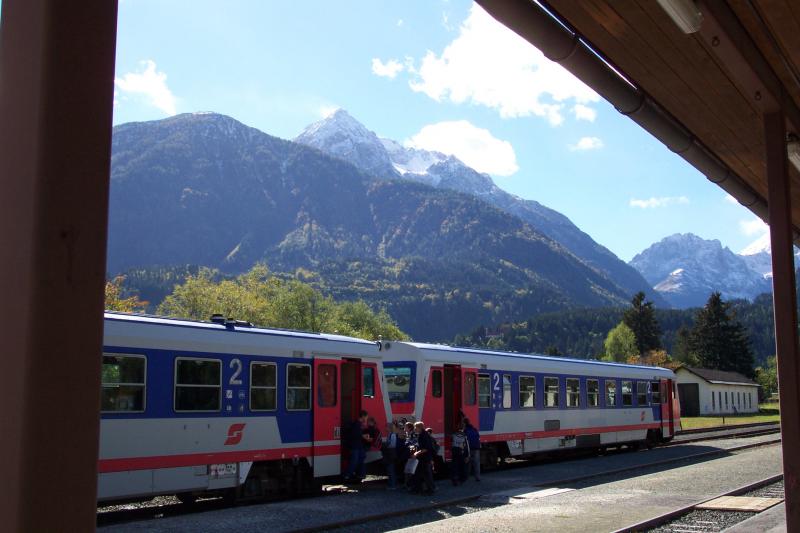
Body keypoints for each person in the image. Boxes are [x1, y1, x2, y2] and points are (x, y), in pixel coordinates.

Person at [342, 410, 368, 482]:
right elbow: (355, 435)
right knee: (354, 461)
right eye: (366, 417)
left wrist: (362, 435)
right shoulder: (357, 424)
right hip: (355, 446)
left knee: (360, 458)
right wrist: (363, 436)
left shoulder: (357, 424)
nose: (366, 419)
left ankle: (358, 474)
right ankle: (347, 475)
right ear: (363, 416)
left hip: (357, 446)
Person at [411, 421, 436, 494]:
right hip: (422, 458)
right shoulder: (421, 434)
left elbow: (426, 448)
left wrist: (416, 453)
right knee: (418, 474)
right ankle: (418, 489)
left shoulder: (424, 435)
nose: (415, 429)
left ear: (419, 427)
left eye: (415, 427)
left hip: (425, 458)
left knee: (426, 475)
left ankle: (430, 490)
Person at [450, 421, 470, 485]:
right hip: (461, 452)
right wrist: (468, 455)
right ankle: (461, 479)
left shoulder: (453, 434)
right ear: (463, 428)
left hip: (454, 451)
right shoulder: (465, 435)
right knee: (462, 466)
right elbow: (466, 446)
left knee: (455, 466)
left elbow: (451, 442)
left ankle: (454, 479)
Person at [382, 421, 399, 489]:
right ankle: (391, 484)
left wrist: (386, 445)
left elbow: (392, 445)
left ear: (389, 428)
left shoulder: (392, 435)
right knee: (389, 470)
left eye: (386, 427)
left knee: (391, 469)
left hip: (391, 454)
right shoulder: (390, 434)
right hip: (389, 454)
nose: (385, 428)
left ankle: (392, 485)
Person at [464, 417, 481, 482]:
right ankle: (478, 477)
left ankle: (466, 477)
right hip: (476, 448)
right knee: (476, 463)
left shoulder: (465, 430)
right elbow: (478, 437)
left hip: (469, 448)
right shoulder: (474, 429)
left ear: (464, 423)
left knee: (468, 463)